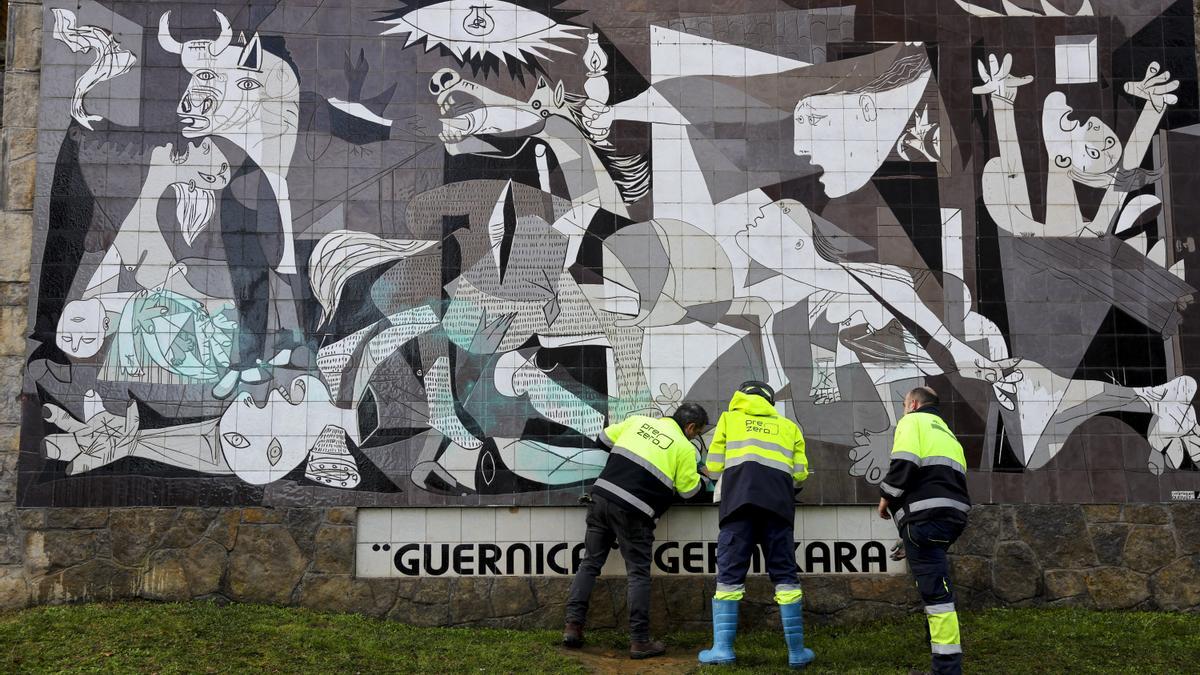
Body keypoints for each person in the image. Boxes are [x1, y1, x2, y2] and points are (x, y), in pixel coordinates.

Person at [563, 403, 710, 659]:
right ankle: (640, 641)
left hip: (602, 497)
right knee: (638, 574)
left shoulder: (638, 421)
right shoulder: (684, 448)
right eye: (697, 433)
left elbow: (602, 439)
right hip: (634, 512)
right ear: (690, 427)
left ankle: (572, 627)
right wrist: (703, 479)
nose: (695, 437)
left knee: (590, 563)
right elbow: (689, 492)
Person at [698, 381, 813, 668]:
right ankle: (796, 653)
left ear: (741, 397)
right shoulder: (790, 427)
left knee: (730, 575)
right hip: (778, 508)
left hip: (738, 505)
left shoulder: (729, 420)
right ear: (770, 402)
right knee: (785, 575)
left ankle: (723, 650)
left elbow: (714, 466)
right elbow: (800, 475)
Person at [877, 386, 971, 675]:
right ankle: (935, 645)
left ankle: (946, 668)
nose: (904, 410)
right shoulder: (947, 433)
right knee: (936, 581)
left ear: (914, 404)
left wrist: (886, 497)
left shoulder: (912, 422)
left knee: (937, 596)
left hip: (924, 518)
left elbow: (904, 463)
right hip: (952, 518)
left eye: (905, 404)